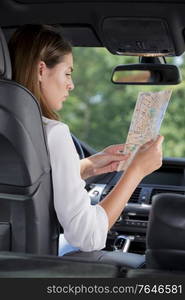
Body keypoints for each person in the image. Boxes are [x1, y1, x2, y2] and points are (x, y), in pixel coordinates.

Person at [8, 24, 163, 263]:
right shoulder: (54, 133)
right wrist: (136, 171)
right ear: (41, 70)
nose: (71, 85)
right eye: (68, 73)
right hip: (32, 270)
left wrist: (86, 167)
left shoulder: (13, 132)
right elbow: (88, 236)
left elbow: (17, 182)